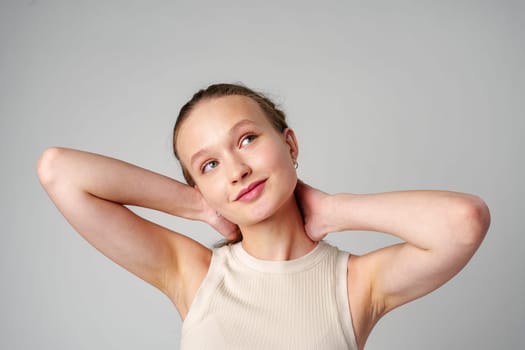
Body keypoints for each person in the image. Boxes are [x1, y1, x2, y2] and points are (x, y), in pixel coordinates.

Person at [37, 83, 490, 349]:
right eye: (208, 165)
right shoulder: (193, 273)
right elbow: (59, 170)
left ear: (290, 145)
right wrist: (198, 205)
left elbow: (464, 221)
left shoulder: (354, 283)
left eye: (247, 139)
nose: (236, 170)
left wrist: (334, 210)